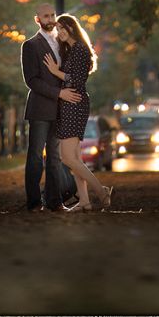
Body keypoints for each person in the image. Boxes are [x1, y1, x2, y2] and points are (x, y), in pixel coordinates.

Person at [44, 13, 113, 212]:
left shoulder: (81, 50)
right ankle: (84, 201)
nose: (60, 32)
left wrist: (55, 70)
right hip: (69, 104)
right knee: (75, 158)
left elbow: (76, 80)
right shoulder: (71, 50)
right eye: (58, 29)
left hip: (75, 104)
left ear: (72, 28)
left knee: (67, 157)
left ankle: (101, 191)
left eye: (63, 28)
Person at [20, 2, 81, 212]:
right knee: (36, 156)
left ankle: (55, 202)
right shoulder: (30, 45)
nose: (50, 19)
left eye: (52, 15)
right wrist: (58, 93)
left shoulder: (62, 43)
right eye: (45, 16)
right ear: (37, 19)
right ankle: (34, 202)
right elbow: (32, 80)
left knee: (55, 158)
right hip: (39, 109)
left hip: (60, 110)